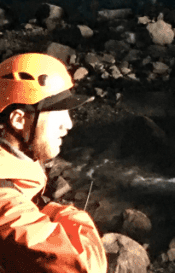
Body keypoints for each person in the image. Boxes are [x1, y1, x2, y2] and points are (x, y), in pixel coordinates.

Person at [0, 53, 106, 272]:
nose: (68, 124)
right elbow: (86, 265)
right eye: (58, 111)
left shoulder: (16, 165)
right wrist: (58, 212)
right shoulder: (4, 200)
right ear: (19, 120)